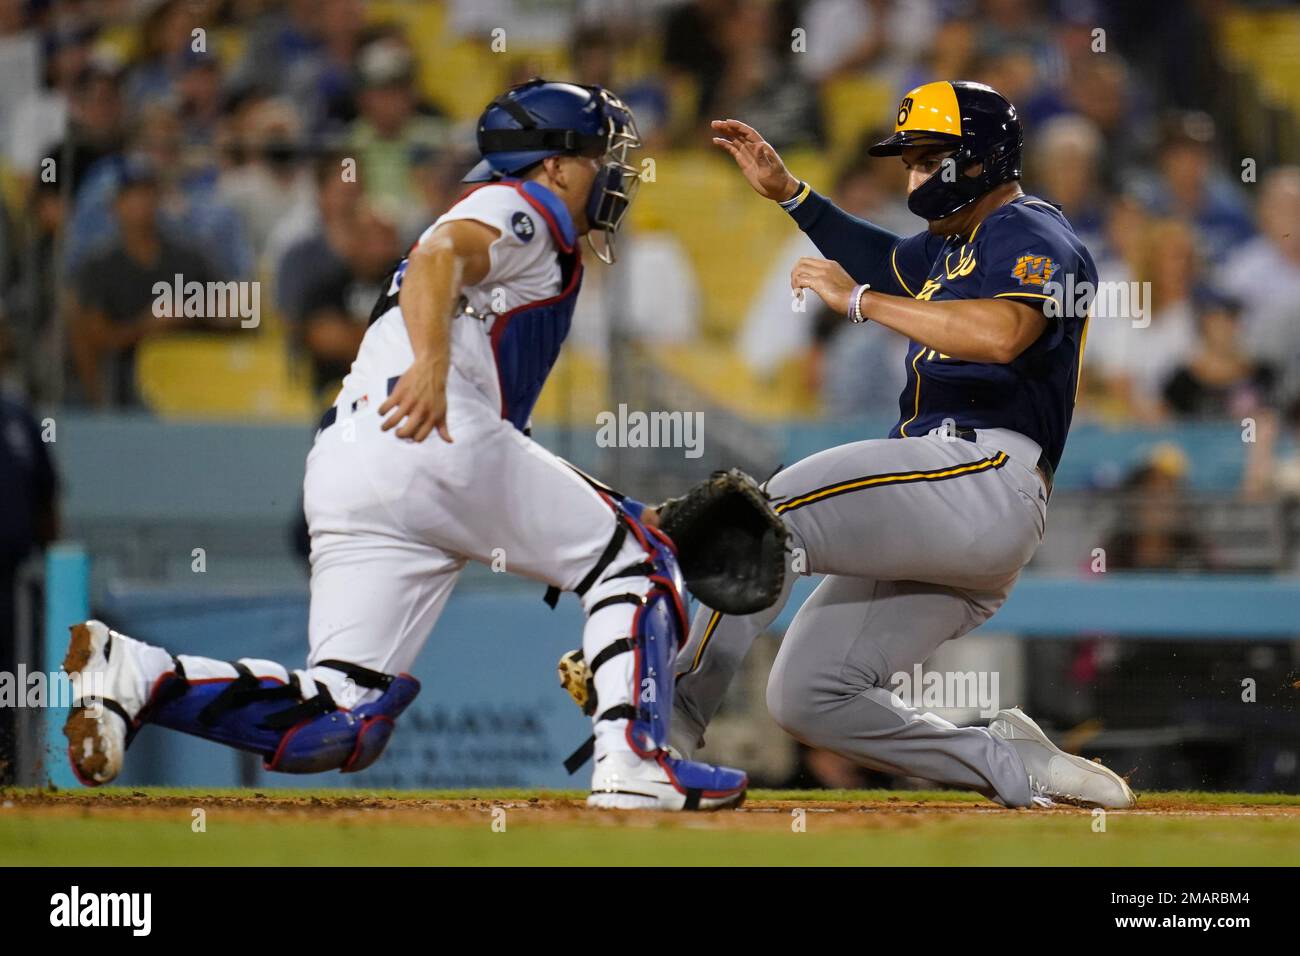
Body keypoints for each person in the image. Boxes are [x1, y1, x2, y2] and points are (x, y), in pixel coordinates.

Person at [60, 80, 747, 812]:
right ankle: (633, 761)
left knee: (342, 716)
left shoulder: (523, 223)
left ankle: (139, 675)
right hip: (432, 431)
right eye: (598, 154)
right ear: (554, 165)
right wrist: (431, 365)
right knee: (639, 558)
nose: (611, 173)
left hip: (354, 461)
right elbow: (439, 256)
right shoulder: (523, 204)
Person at [671, 81, 1135, 808]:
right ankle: (1003, 761)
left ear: (975, 159)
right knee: (808, 697)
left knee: (767, 514)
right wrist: (792, 195)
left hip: (983, 477)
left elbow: (1003, 333)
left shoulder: (1029, 229)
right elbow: (880, 256)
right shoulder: (955, 246)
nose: (911, 174)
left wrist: (860, 304)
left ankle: (666, 728)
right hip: (948, 517)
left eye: (925, 158)